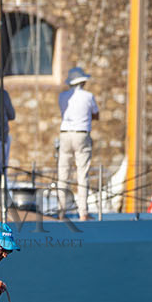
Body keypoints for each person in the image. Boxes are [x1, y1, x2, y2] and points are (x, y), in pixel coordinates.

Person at [57, 66, 99, 219]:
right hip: (81, 134)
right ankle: (83, 212)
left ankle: (61, 211)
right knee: (82, 173)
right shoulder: (88, 96)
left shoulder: (62, 96)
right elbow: (96, 114)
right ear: (82, 82)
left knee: (63, 173)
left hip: (65, 134)